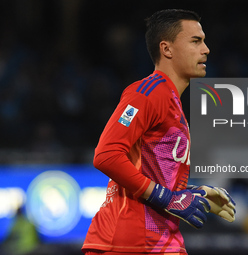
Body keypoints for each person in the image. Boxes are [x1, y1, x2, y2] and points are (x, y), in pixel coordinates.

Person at [82, 9, 235, 255]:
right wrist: (167, 198)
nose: (206, 49)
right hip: (127, 242)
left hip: (160, 241)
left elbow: (154, 180)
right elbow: (106, 155)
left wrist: (193, 194)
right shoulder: (147, 92)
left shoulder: (173, 105)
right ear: (167, 49)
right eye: (196, 41)